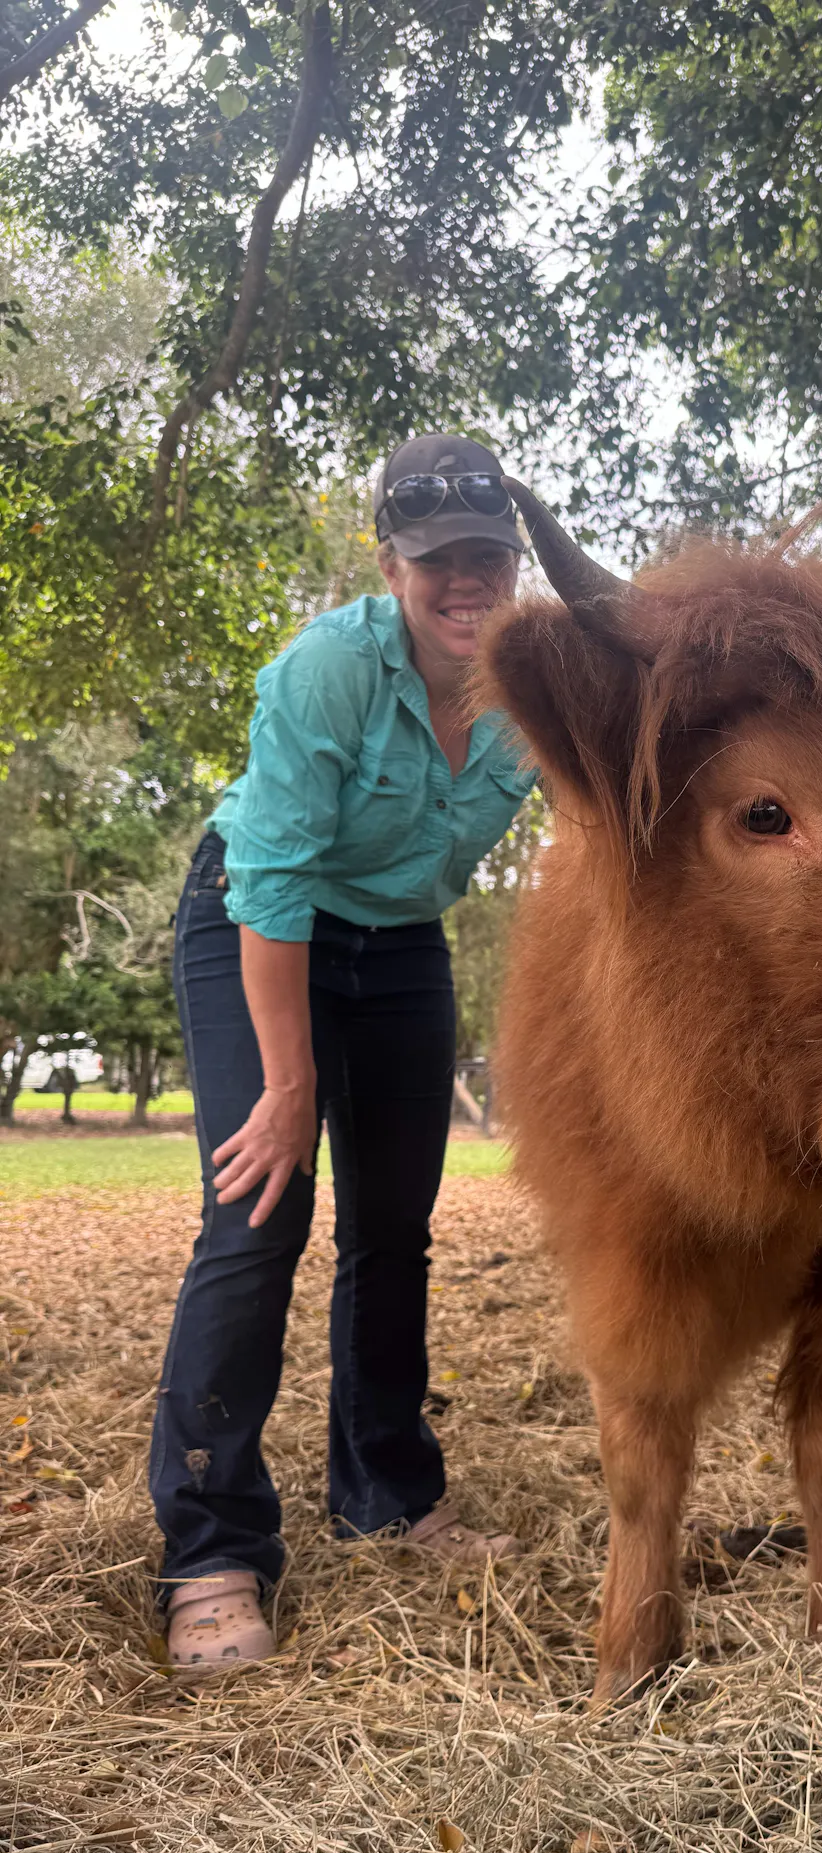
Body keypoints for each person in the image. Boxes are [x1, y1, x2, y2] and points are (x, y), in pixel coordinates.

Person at [150, 434, 537, 1670]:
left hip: (400, 944)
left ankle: (386, 1487)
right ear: (392, 565)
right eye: (438, 561)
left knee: (392, 1226)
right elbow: (271, 879)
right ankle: (211, 1545)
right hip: (259, 924)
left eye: (487, 556)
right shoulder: (327, 671)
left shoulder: (532, 694)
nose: (464, 582)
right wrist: (288, 1083)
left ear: (514, 564)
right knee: (261, 1205)